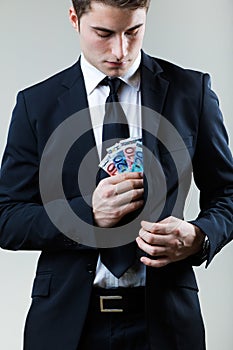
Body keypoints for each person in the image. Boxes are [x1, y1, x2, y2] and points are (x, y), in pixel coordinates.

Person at [0, 0, 232, 349]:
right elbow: (7, 217)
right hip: (66, 326)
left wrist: (199, 236)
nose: (120, 51)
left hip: (168, 323)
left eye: (133, 31)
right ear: (75, 19)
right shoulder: (37, 104)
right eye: (104, 33)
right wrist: (87, 214)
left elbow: (228, 193)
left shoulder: (191, 91)